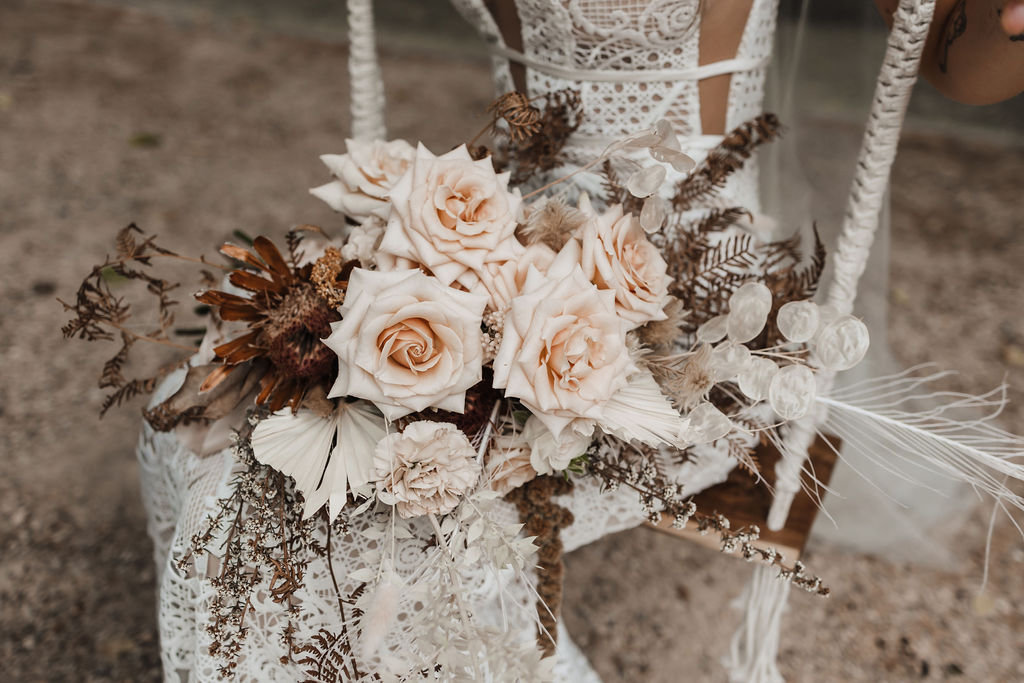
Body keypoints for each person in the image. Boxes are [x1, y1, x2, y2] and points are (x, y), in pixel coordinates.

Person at [138, 1, 1024, 680]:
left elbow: (959, 57)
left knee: (401, 534)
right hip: (493, 234)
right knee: (191, 425)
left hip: (691, 301)